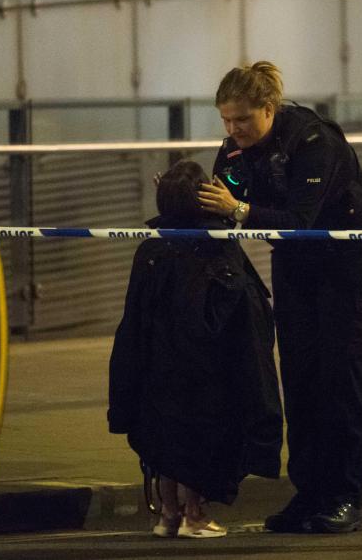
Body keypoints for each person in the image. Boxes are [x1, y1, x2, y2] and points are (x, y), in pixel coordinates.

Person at [198, 62, 362, 534]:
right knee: (300, 378)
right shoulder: (235, 152)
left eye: (242, 119)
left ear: (269, 108)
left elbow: (301, 220)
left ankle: (344, 497)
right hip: (298, 262)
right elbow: (226, 209)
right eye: (225, 120)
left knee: (342, 379)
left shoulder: (312, 140)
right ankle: (308, 494)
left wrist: (239, 209)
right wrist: (187, 201)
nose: (232, 130)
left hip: (349, 260)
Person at [108, 160, 283, 539]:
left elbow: (135, 315)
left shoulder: (153, 248)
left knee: (165, 437)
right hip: (205, 368)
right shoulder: (215, 247)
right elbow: (244, 314)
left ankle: (168, 513)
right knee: (200, 438)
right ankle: (195, 514)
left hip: (158, 365)